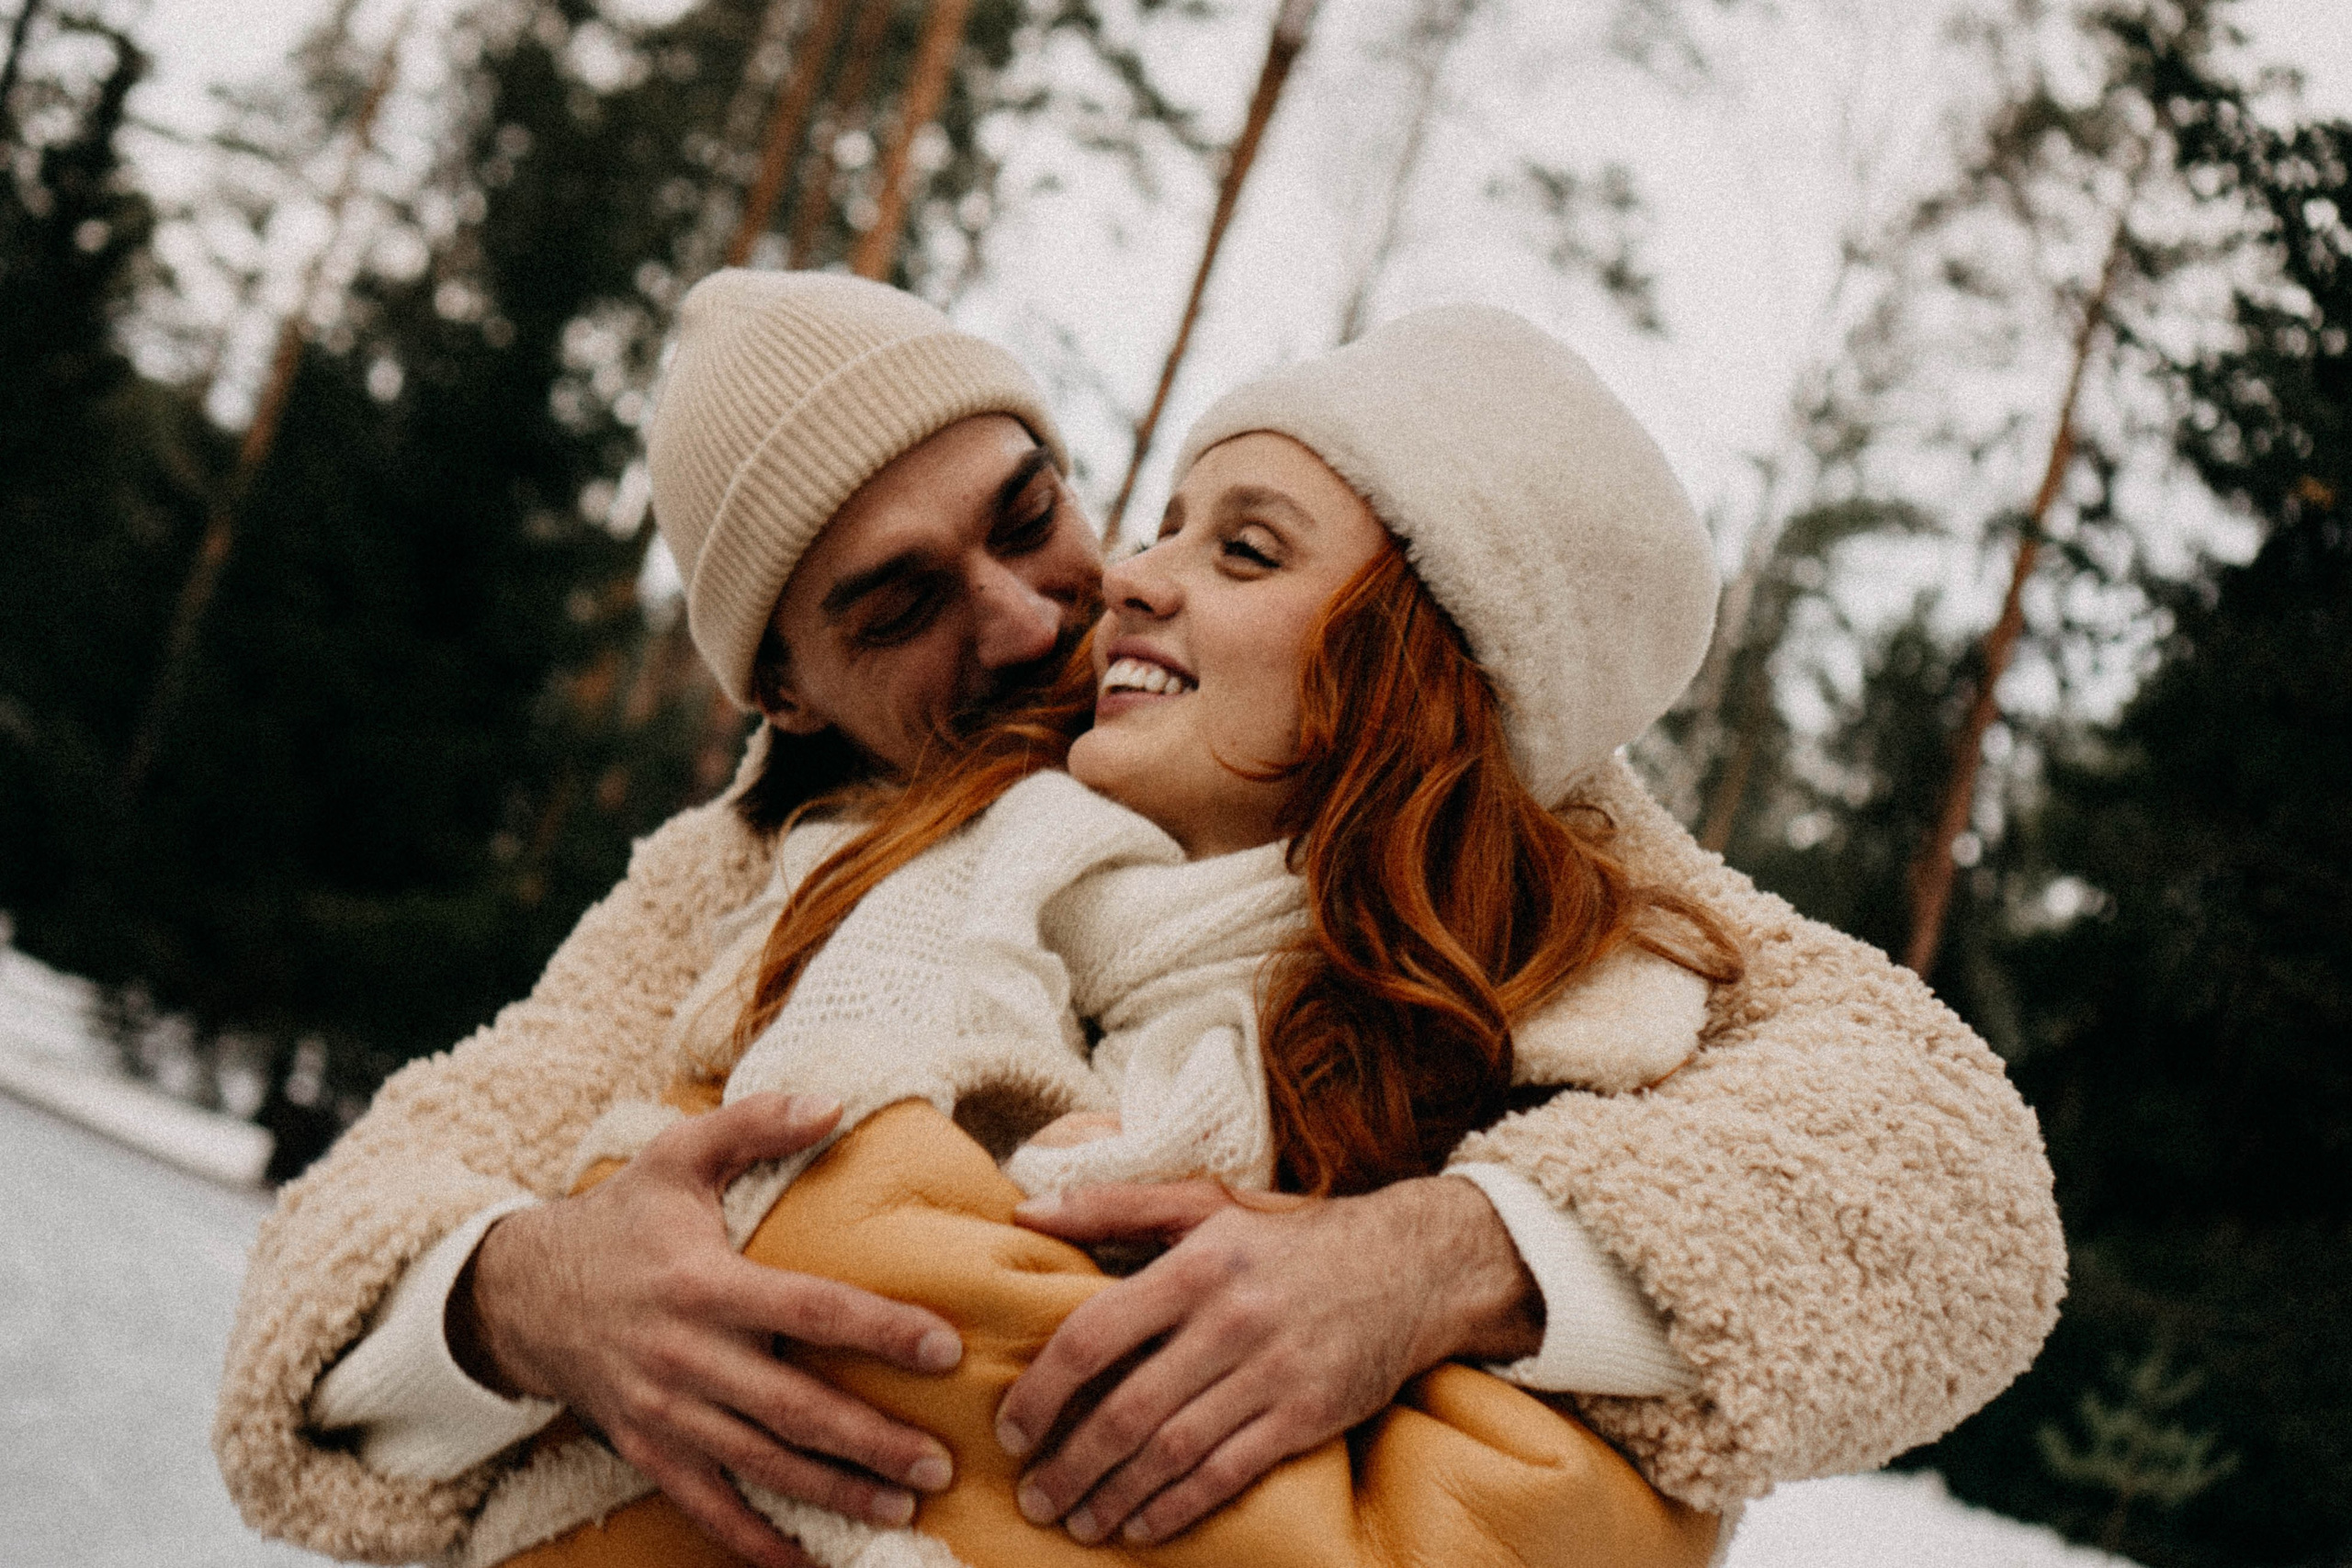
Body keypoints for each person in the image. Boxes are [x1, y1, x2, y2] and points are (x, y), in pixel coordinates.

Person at [215, 272, 2066, 1568]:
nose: (1041, 617)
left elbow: (1953, 1182)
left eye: (1031, 514)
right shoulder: (743, 887)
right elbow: (323, 1283)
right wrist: (525, 1295)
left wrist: (1432, 1257)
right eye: (898, 606)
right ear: (785, 692)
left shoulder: (1518, 832)